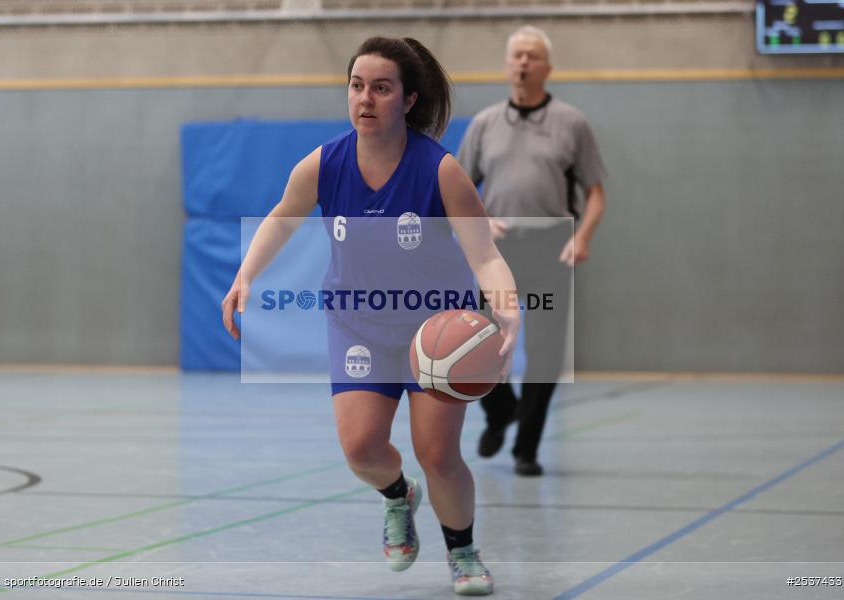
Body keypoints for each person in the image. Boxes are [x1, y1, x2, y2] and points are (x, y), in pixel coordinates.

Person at [221, 37, 520, 596]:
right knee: (360, 448)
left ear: (408, 100)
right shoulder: (323, 164)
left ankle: (463, 551)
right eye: (357, 86)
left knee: (438, 453)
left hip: (435, 333)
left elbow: (485, 256)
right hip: (358, 324)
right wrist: (245, 275)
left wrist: (508, 309)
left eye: (381, 88)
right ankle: (398, 496)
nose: (365, 98)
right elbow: (283, 217)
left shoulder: (440, 171)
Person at [457, 25, 606, 477]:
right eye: (517, 55)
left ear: (547, 67)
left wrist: (583, 236)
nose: (523, 62)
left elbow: (596, 192)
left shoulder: (572, 123)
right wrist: (478, 222)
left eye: (532, 56)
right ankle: (501, 410)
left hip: (551, 250)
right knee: (477, 344)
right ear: (507, 65)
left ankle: (526, 449)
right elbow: (457, 190)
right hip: (496, 252)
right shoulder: (484, 124)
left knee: (545, 353)